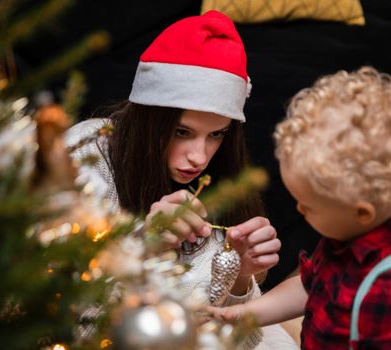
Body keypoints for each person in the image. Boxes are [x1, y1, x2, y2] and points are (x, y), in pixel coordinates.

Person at [65, 10, 299, 350]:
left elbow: (235, 333)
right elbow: (71, 315)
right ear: (150, 121)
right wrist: (146, 246)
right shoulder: (86, 158)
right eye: (181, 132)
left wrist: (241, 277)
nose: (199, 157)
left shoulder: (221, 182)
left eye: (216, 135)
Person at [207, 67, 391, 349]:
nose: (300, 210)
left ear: (362, 212)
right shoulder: (349, 230)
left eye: (309, 205)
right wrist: (243, 313)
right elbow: (312, 286)